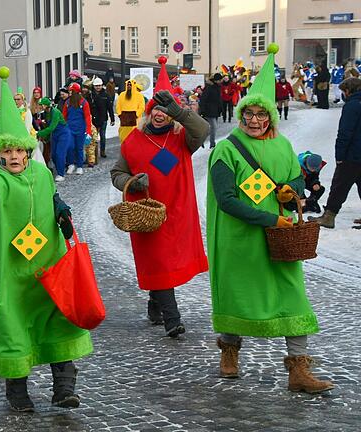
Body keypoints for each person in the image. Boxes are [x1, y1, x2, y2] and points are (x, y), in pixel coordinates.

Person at [0, 67, 92, 412]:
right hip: (16, 273)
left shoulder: (41, 173)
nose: (12, 157)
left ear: (28, 152)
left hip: (50, 267)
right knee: (16, 328)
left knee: (58, 321)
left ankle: (64, 387)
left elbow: (55, 199)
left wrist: (64, 214)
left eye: (18, 151)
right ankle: (17, 391)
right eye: (5, 152)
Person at [207, 44, 333, 393]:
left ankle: (298, 370)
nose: (255, 120)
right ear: (243, 114)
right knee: (239, 297)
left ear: (271, 117)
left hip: (281, 240)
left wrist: (289, 192)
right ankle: (229, 352)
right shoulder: (226, 151)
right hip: (240, 240)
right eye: (249, 114)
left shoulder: (282, 147)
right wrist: (268, 219)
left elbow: (296, 178)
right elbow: (227, 200)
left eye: (262, 115)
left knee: (293, 298)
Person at [110, 57, 209, 339]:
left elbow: (203, 130)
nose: (159, 114)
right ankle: (172, 319)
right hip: (147, 214)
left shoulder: (182, 139)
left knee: (163, 264)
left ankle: (156, 303)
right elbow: (116, 173)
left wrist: (180, 111)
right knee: (159, 262)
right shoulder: (133, 141)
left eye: (165, 111)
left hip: (176, 212)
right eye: (156, 109)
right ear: (148, 112)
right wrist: (130, 181)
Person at [309, 77, 361, 228]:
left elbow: (345, 133)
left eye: (344, 91)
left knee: (339, 186)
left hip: (352, 155)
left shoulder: (352, 106)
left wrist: (340, 156)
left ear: (348, 91)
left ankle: (329, 216)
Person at [37, 97, 73, 182]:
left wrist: (38, 133)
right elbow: (48, 127)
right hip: (55, 134)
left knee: (59, 153)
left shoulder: (55, 112)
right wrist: (45, 138)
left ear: (46, 105)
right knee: (53, 155)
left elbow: (51, 127)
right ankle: (60, 169)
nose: (40, 106)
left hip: (63, 133)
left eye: (41, 105)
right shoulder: (46, 113)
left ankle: (61, 174)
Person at [61, 83, 92, 175]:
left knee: (79, 148)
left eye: (71, 91)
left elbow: (87, 117)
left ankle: (79, 166)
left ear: (76, 92)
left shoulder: (84, 103)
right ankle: (71, 164)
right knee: (70, 147)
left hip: (80, 129)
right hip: (69, 129)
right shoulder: (67, 103)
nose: (70, 93)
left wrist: (88, 131)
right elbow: (64, 116)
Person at [91, 77, 115, 158]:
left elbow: (110, 108)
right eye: (96, 86)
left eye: (99, 85)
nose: (98, 87)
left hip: (103, 118)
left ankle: (102, 151)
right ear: (94, 86)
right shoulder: (91, 95)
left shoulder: (106, 95)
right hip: (93, 119)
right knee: (93, 138)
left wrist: (112, 119)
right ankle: (93, 153)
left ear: (102, 86)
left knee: (102, 136)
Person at [199, 73, 224, 148]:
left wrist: (221, 109)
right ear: (216, 80)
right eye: (219, 80)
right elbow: (203, 99)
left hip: (215, 110)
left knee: (213, 128)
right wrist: (203, 110)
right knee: (214, 127)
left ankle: (200, 140)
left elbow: (219, 100)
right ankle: (212, 144)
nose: (221, 81)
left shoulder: (218, 87)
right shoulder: (209, 88)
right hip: (209, 110)